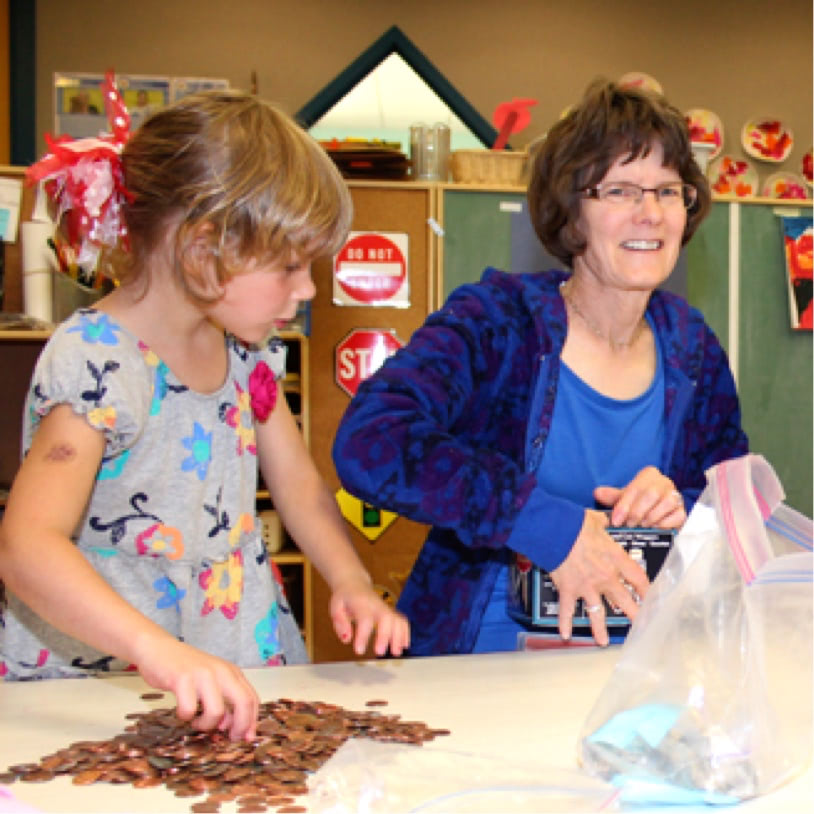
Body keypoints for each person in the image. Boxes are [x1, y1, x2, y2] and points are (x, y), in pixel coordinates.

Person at [0, 88, 409, 741]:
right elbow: (27, 547)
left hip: (230, 651)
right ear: (201, 250)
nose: (307, 289)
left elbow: (298, 486)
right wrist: (158, 651)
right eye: (289, 266)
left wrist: (351, 579)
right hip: (103, 674)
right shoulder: (97, 360)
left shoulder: (248, 354)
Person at [332, 79, 748, 656]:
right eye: (620, 190)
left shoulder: (692, 347)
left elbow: (733, 511)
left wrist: (682, 503)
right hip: (483, 665)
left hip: (639, 666)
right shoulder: (497, 321)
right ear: (571, 212)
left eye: (668, 190)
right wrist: (545, 524)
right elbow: (372, 440)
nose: (651, 213)